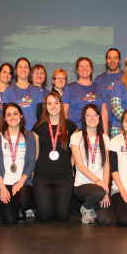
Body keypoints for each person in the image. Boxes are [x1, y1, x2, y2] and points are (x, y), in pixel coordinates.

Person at [33, 92, 78, 221]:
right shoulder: (38, 127)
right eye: (49, 103)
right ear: (45, 106)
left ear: (61, 105)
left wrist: (71, 166)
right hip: (42, 175)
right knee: (44, 215)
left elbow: (76, 150)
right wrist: (33, 171)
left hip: (64, 176)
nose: (53, 106)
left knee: (62, 216)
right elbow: (35, 152)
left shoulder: (71, 126)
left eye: (56, 103)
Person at [0, 103, 36, 224]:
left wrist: (20, 183)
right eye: (9, 114)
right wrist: (2, 187)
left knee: (24, 200)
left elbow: (31, 163)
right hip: (4, 183)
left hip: (22, 182)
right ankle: (11, 208)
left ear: (21, 115)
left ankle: (20, 207)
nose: (12, 117)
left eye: (15, 113)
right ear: (5, 118)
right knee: (10, 220)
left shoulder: (29, 136)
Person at [71, 104, 112, 225]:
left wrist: (105, 189)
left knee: (105, 220)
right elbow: (80, 166)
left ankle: (93, 207)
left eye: (95, 115)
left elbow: (107, 166)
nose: (92, 118)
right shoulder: (76, 137)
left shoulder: (105, 138)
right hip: (82, 185)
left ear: (99, 117)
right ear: (84, 118)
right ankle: (86, 208)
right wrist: (99, 184)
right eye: (88, 115)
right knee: (98, 192)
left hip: (100, 187)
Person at [63, 57, 109, 132]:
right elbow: (64, 111)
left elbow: (104, 111)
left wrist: (106, 131)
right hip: (76, 131)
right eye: (81, 66)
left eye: (87, 66)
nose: (84, 68)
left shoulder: (99, 88)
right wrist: (69, 129)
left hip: (96, 131)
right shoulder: (70, 88)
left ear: (91, 69)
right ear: (77, 70)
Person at [2, 57, 43, 131]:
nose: (23, 70)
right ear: (16, 70)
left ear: (29, 70)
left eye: (26, 67)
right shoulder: (8, 90)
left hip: (33, 132)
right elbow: (5, 115)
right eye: (20, 67)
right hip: (14, 132)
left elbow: (40, 116)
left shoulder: (37, 90)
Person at [94, 48, 124, 133]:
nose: (112, 60)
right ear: (106, 60)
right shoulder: (98, 80)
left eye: (115, 58)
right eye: (109, 58)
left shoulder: (126, 77)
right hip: (104, 124)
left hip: (122, 124)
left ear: (120, 60)